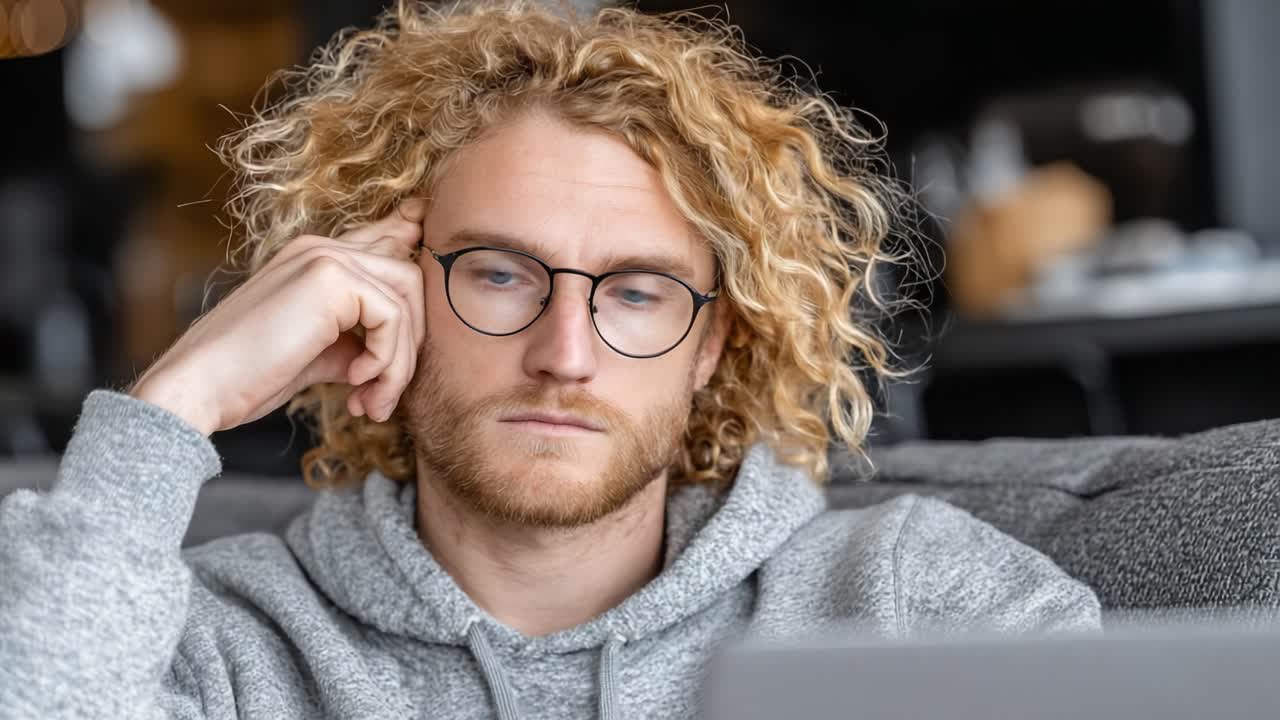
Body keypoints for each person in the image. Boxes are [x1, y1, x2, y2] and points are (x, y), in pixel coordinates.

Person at [0, 1, 1099, 718]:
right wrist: (175, 403)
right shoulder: (218, 650)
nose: (562, 353)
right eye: (497, 273)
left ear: (713, 340)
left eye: (635, 291)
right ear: (380, 295)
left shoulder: (917, 599)